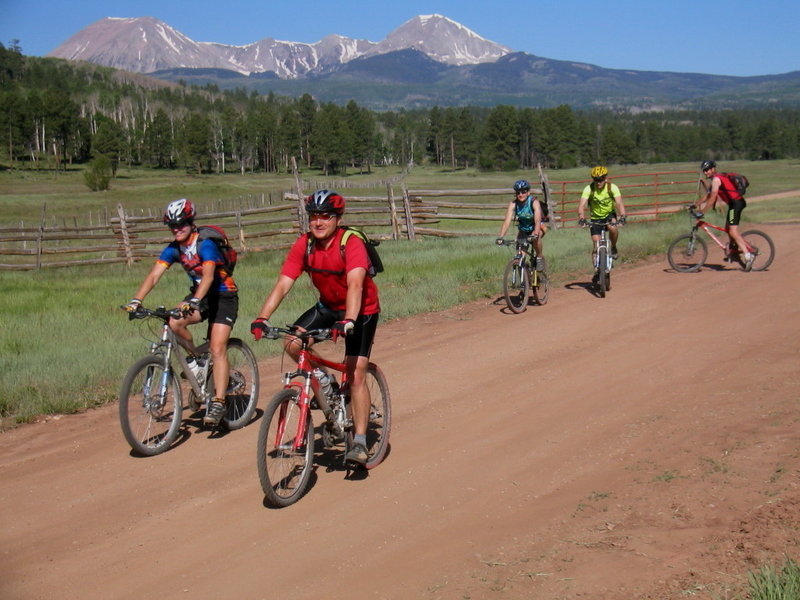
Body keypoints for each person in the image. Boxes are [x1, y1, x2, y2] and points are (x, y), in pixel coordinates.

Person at [250, 190, 380, 467]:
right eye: (313, 216)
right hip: (328, 306)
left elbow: (356, 284)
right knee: (292, 342)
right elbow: (284, 283)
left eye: (325, 216)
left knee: (356, 373)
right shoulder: (305, 244)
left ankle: (358, 441)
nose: (318, 222)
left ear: (337, 219)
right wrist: (262, 317)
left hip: (362, 310)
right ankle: (325, 383)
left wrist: (349, 321)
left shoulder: (350, 242)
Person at [123, 199, 238, 427]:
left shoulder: (205, 245)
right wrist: (136, 300)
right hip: (199, 296)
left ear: (190, 222)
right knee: (172, 323)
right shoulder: (174, 249)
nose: (177, 229)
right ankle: (196, 360)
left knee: (217, 347)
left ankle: (219, 400)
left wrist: (194, 300)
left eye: (181, 224)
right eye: (172, 226)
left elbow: (208, 276)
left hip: (223, 296)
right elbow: (154, 275)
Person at [695, 160, 754, 271]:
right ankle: (734, 250)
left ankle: (748, 255)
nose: (706, 172)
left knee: (732, 231)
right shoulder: (714, 180)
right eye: (704, 171)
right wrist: (695, 205)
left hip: (736, 204)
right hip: (734, 204)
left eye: (707, 170)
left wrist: (702, 212)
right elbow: (707, 196)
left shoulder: (716, 180)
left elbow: (712, 199)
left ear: (713, 169)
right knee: (728, 228)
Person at [577, 166, 627, 283]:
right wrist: (582, 218)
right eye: (595, 179)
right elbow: (582, 205)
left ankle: (613, 247)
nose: (598, 182)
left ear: (605, 178)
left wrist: (623, 216)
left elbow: (619, 203)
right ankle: (597, 270)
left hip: (609, 214)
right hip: (595, 218)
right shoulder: (589, 189)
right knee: (596, 243)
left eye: (600, 179)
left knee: (613, 228)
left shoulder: (612, 187)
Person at [495, 179, 547, 270]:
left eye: (523, 192)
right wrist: (501, 237)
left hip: (536, 227)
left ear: (528, 192)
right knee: (520, 256)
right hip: (523, 230)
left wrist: (535, 234)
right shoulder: (513, 204)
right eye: (518, 192)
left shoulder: (534, 202)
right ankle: (524, 279)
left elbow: (538, 220)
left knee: (536, 239)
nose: (520, 194)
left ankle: (539, 257)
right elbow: (507, 221)